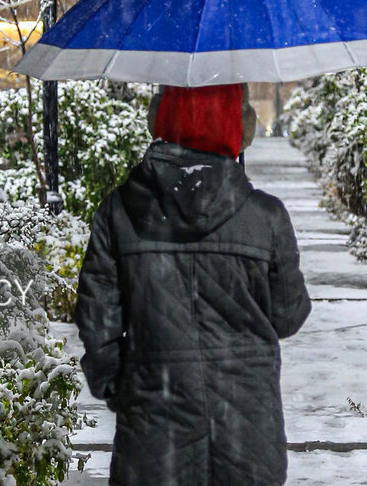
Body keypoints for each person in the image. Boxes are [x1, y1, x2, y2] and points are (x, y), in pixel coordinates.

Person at [75, 83, 312, 486]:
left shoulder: (119, 211)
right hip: (246, 434)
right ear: (238, 128)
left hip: (154, 432)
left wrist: (122, 386)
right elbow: (288, 317)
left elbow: (98, 320)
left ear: (160, 120)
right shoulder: (266, 216)